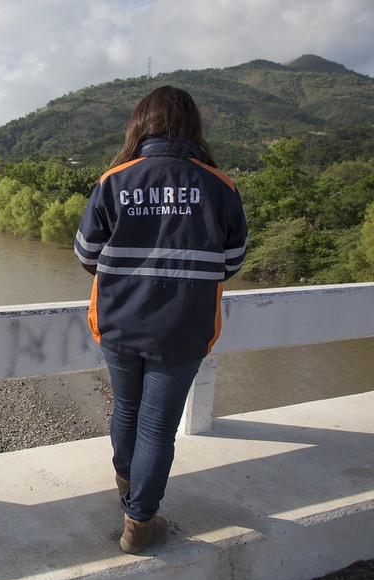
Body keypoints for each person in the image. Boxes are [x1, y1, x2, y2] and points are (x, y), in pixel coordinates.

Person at [74, 86, 248, 554]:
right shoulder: (221, 186)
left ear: (139, 125)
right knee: (156, 427)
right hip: (183, 329)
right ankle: (140, 522)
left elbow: (86, 254)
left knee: (127, 411)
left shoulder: (114, 180)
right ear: (193, 127)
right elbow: (232, 262)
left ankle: (128, 493)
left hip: (119, 324)